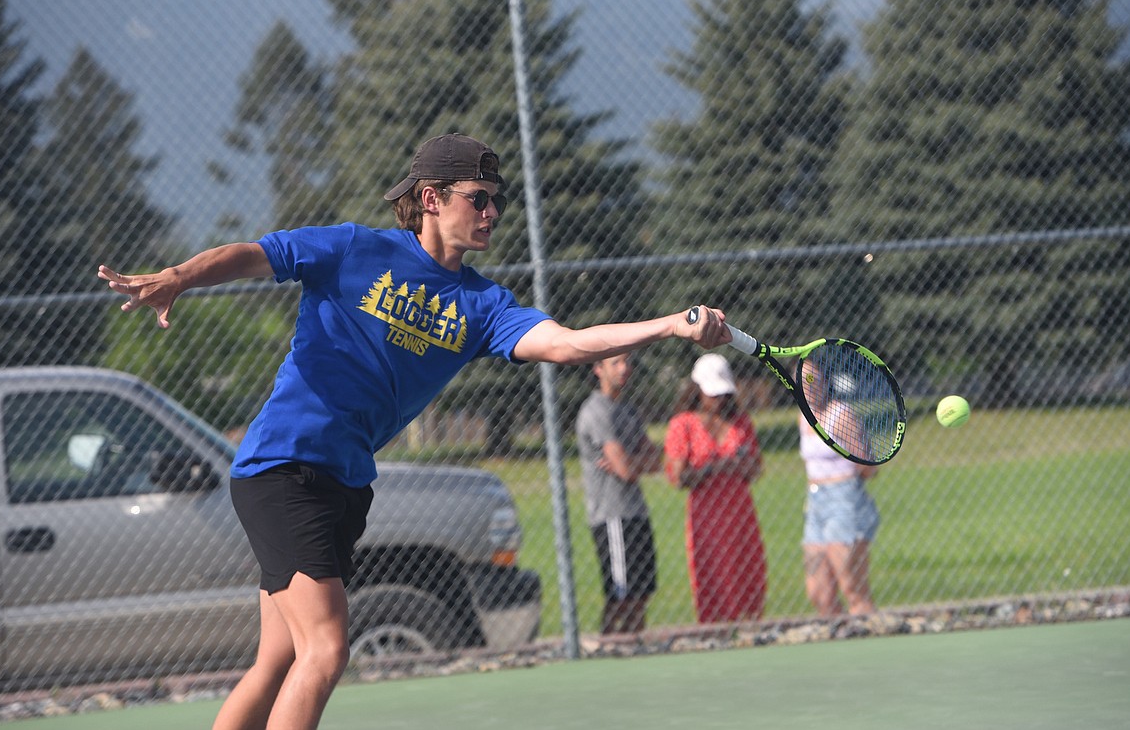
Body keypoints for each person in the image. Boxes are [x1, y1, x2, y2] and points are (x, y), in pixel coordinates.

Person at [98, 132, 733, 730]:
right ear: (431, 199)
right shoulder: (354, 249)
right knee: (325, 648)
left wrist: (671, 325)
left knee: (280, 659)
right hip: (282, 467)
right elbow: (257, 255)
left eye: (498, 202)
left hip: (345, 483)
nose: (491, 213)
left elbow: (568, 344)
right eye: (478, 199)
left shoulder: (483, 307)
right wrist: (180, 276)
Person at [663, 353, 766, 623]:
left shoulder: (740, 422)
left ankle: (748, 627)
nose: (718, 400)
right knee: (713, 575)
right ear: (697, 390)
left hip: (739, 511)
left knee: (748, 570)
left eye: (722, 394)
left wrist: (731, 466)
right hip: (706, 515)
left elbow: (755, 467)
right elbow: (678, 476)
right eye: (712, 394)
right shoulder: (682, 424)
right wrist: (711, 469)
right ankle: (716, 630)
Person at [575, 353, 662, 634]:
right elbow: (626, 469)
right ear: (598, 368)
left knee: (641, 595)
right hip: (611, 515)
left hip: (636, 511)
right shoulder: (596, 411)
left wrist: (629, 462)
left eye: (627, 361)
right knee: (620, 596)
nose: (625, 368)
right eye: (616, 362)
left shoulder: (627, 410)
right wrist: (629, 463)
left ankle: (634, 649)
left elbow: (655, 460)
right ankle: (607, 649)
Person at [798, 357, 880, 617]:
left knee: (852, 586)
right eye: (802, 379)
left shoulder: (841, 414)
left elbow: (868, 467)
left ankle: (871, 635)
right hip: (815, 505)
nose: (808, 385)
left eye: (813, 378)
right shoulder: (803, 417)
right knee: (818, 591)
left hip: (845, 502)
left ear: (824, 380)